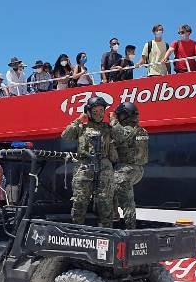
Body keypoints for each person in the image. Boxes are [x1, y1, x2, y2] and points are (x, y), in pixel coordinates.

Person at [61, 95, 116, 227]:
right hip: (84, 167)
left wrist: (114, 121)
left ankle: (107, 232)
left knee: (105, 201)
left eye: (101, 111)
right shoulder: (82, 127)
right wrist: (78, 120)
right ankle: (77, 230)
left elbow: (121, 137)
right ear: (89, 112)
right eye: (95, 111)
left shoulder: (109, 128)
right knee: (80, 201)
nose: (99, 114)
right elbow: (65, 136)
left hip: (104, 168)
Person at [111, 102, 149, 230]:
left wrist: (113, 120)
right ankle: (114, 215)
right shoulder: (142, 130)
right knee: (112, 188)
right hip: (138, 170)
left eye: (120, 115)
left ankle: (129, 229)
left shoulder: (126, 129)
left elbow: (115, 132)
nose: (119, 118)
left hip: (125, 170)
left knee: (126, 203)